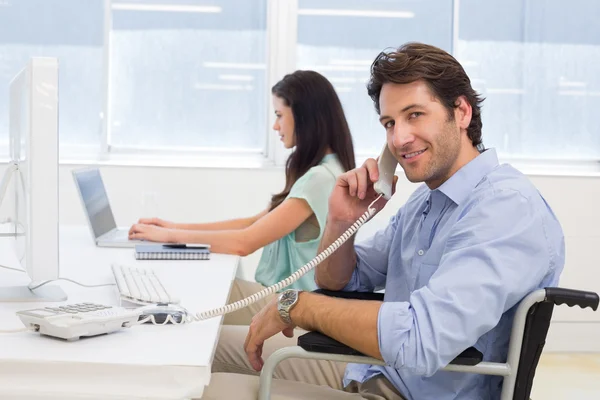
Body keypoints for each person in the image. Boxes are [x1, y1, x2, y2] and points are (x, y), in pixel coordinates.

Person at [204, 42, 565, 399]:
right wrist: (341, 223)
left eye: (415, 115)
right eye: (389, 123)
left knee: (209, 390)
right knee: (210, 346)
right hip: (371, 369)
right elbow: (339, 280)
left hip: (408, 390)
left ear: (462, 113)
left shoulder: (505, 209)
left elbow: (419, 341)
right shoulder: (428, 198)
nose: (399, 139)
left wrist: (300, 306)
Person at [129, 70, 356, 324]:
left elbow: (244, 243)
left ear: (305, 116)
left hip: (293, 309)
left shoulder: (320, 178)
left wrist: (170, 238)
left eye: (279, 115)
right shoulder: (326, 170)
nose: (275, 125)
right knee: (206, 292)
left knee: (197, 305)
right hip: (286, 300)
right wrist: (172, 228)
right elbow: (252, 223)